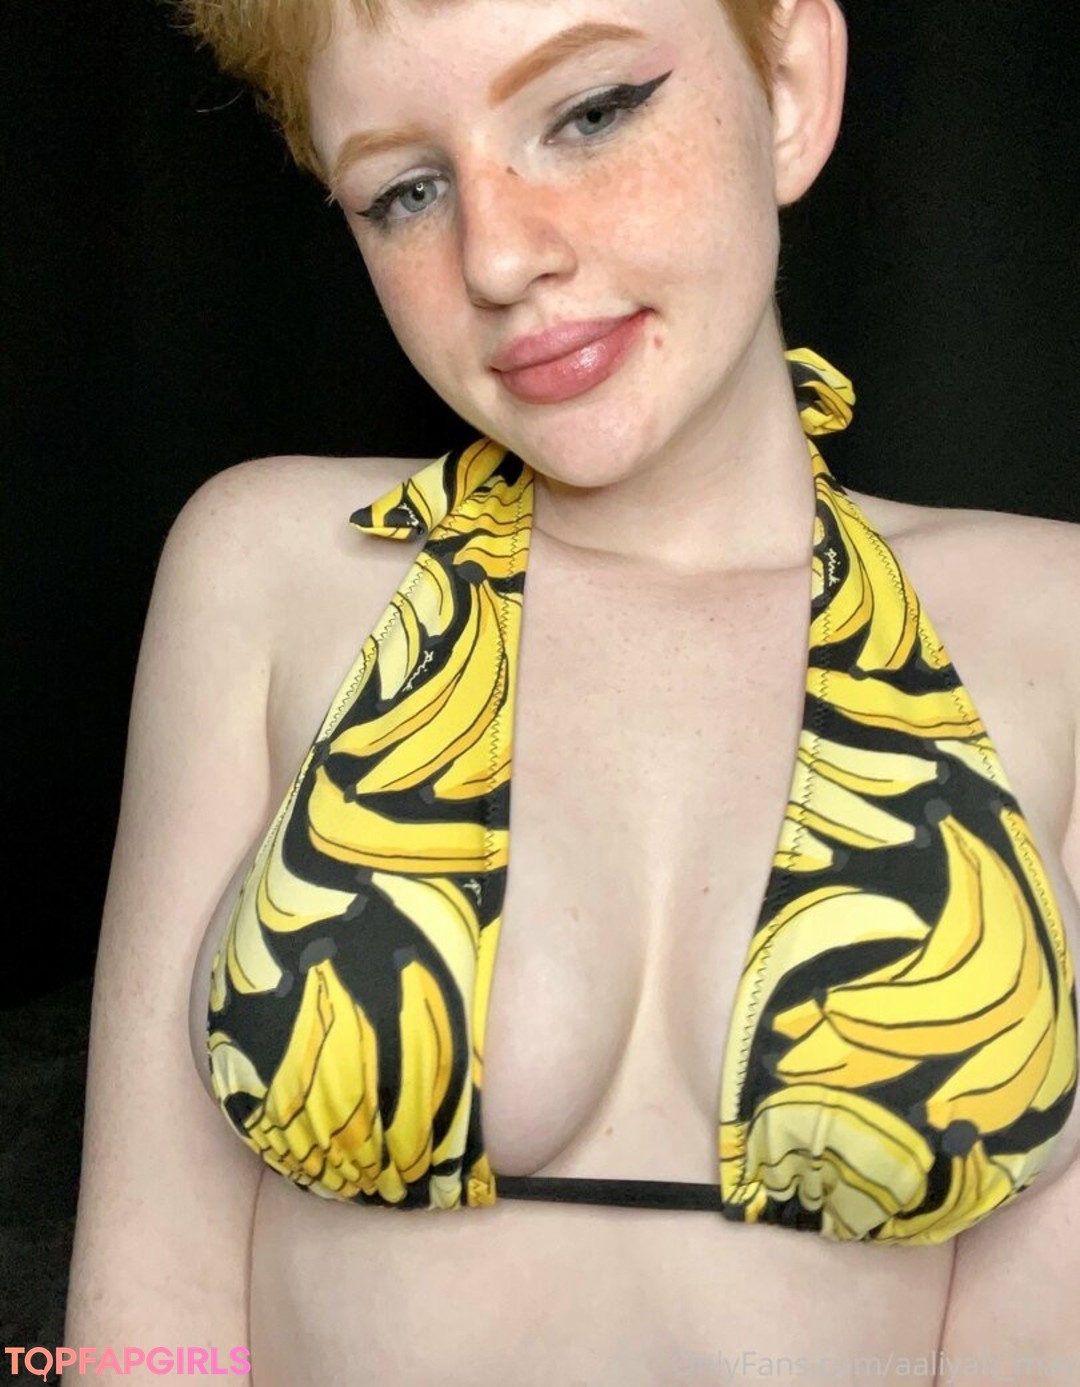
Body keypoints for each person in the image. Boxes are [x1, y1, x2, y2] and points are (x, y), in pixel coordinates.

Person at [67, 0, 1080, 1383]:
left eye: (591, 114)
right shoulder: (269, 571)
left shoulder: (1052, 629)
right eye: (407, 190)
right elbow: (143, 1313)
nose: (498, 258)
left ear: (790, 83)